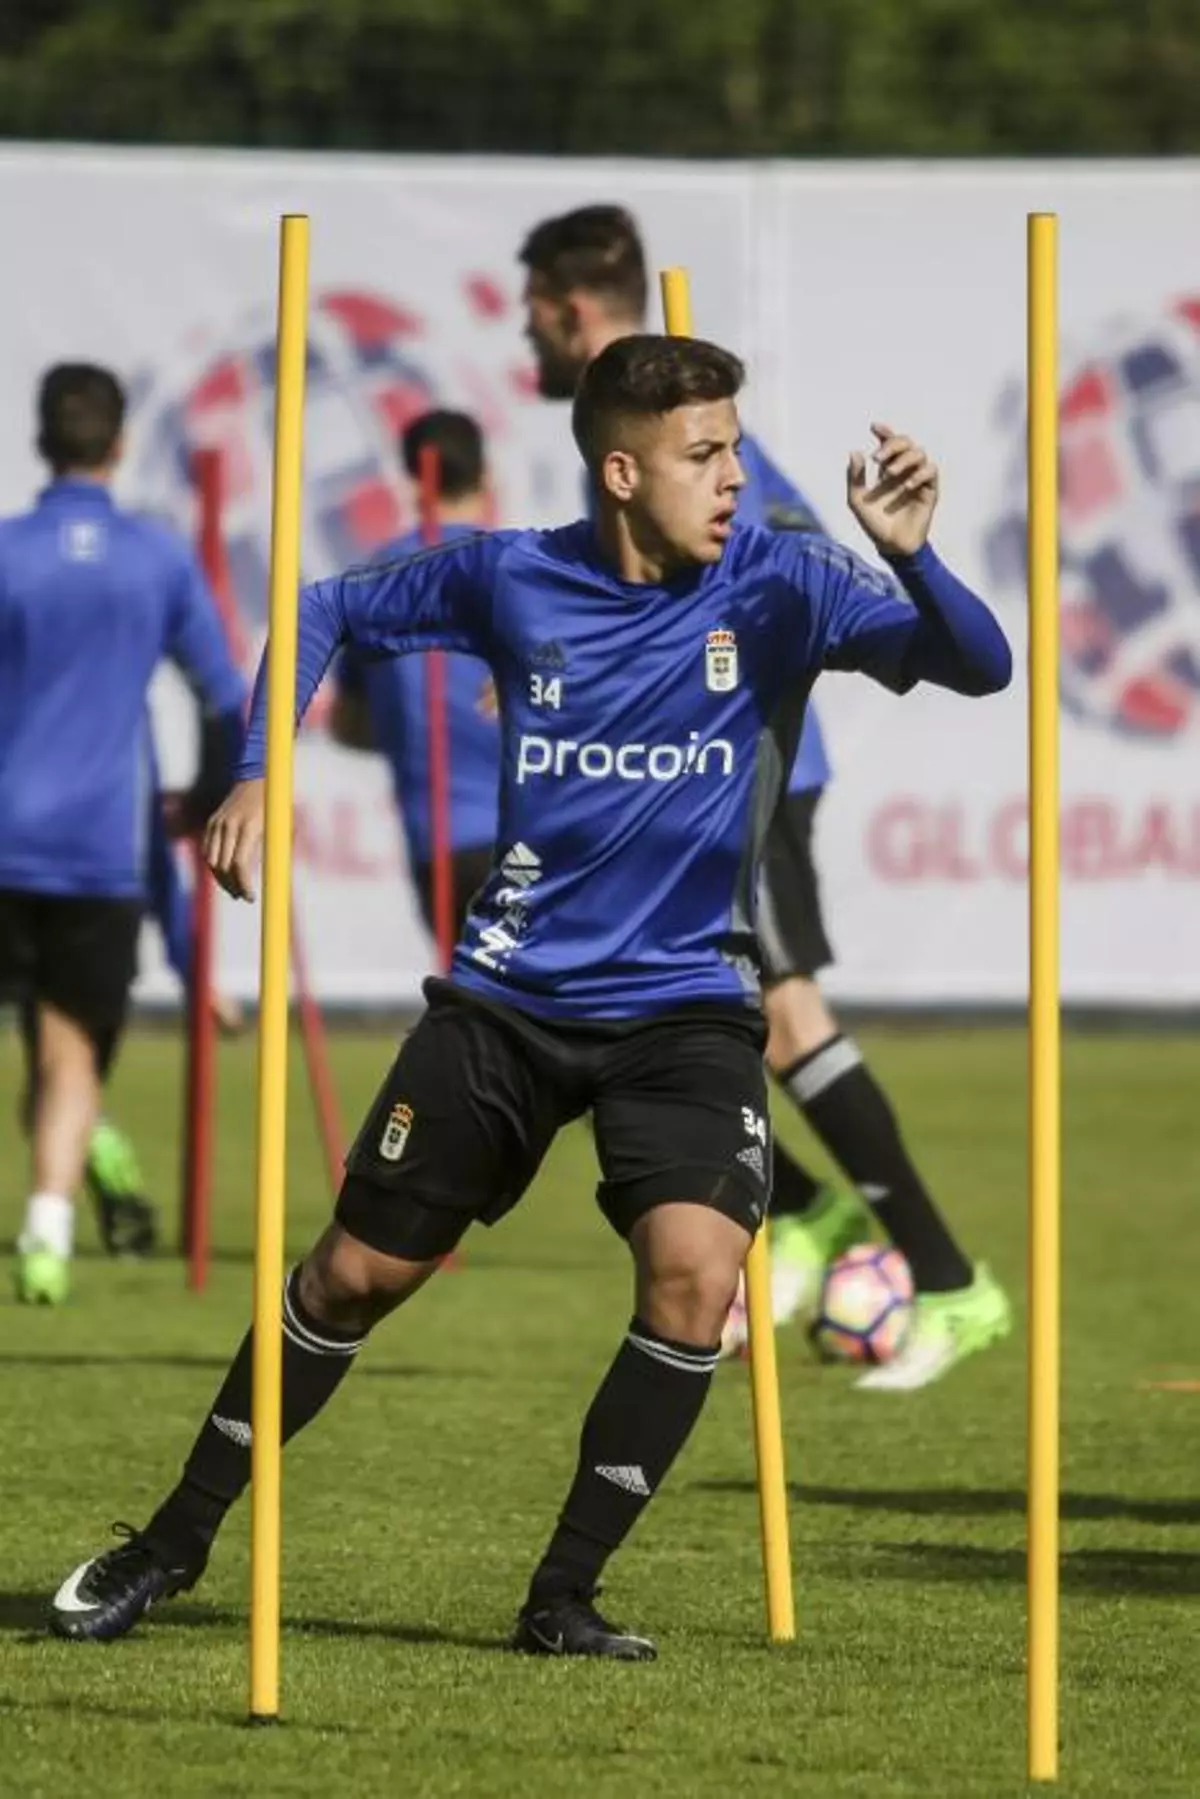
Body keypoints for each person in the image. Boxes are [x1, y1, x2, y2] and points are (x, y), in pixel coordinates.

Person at [50, 333, 1010, 1655]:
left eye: (734, 446)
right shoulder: (512, 575)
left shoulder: (784, 581)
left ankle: (564, 1594)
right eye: (704, 454)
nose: (734, 476)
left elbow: (978, 663)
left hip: (686, 1005)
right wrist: (260, 771)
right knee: (349, 1277)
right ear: (622, 472)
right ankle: (171, 1540)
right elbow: (323, 606)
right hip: (507, 1002)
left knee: (697, 1275)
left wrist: (913, 555)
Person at [518, 204, 1010, 1389]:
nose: (523, 336)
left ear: (571, 310)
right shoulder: (627, 429)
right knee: (605, 1000)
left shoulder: (690, 433)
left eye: (531, 313)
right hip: (670, 778)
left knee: (783, 1016)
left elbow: (791, 563)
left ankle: (950, 1282)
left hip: (744, 778)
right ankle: (800, 1214)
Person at [0, 362, 245, 1304]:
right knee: (70, 1047)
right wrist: (215, 796)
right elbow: (223, 696)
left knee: (42, 1047)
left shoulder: (10, 551)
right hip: (99, 843)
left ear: (41, 439)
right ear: (121, 441)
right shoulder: (159, 557)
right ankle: (48, 1232)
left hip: (8, 831)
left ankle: (70, 1173)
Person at [329, 410, 499, 943]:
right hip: (539, 836)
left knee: (470, 985)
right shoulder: (524, 565)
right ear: (485, 476)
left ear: (410, 480)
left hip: (440, 842)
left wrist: (407, 727)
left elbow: (348, 722)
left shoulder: (377, 579)